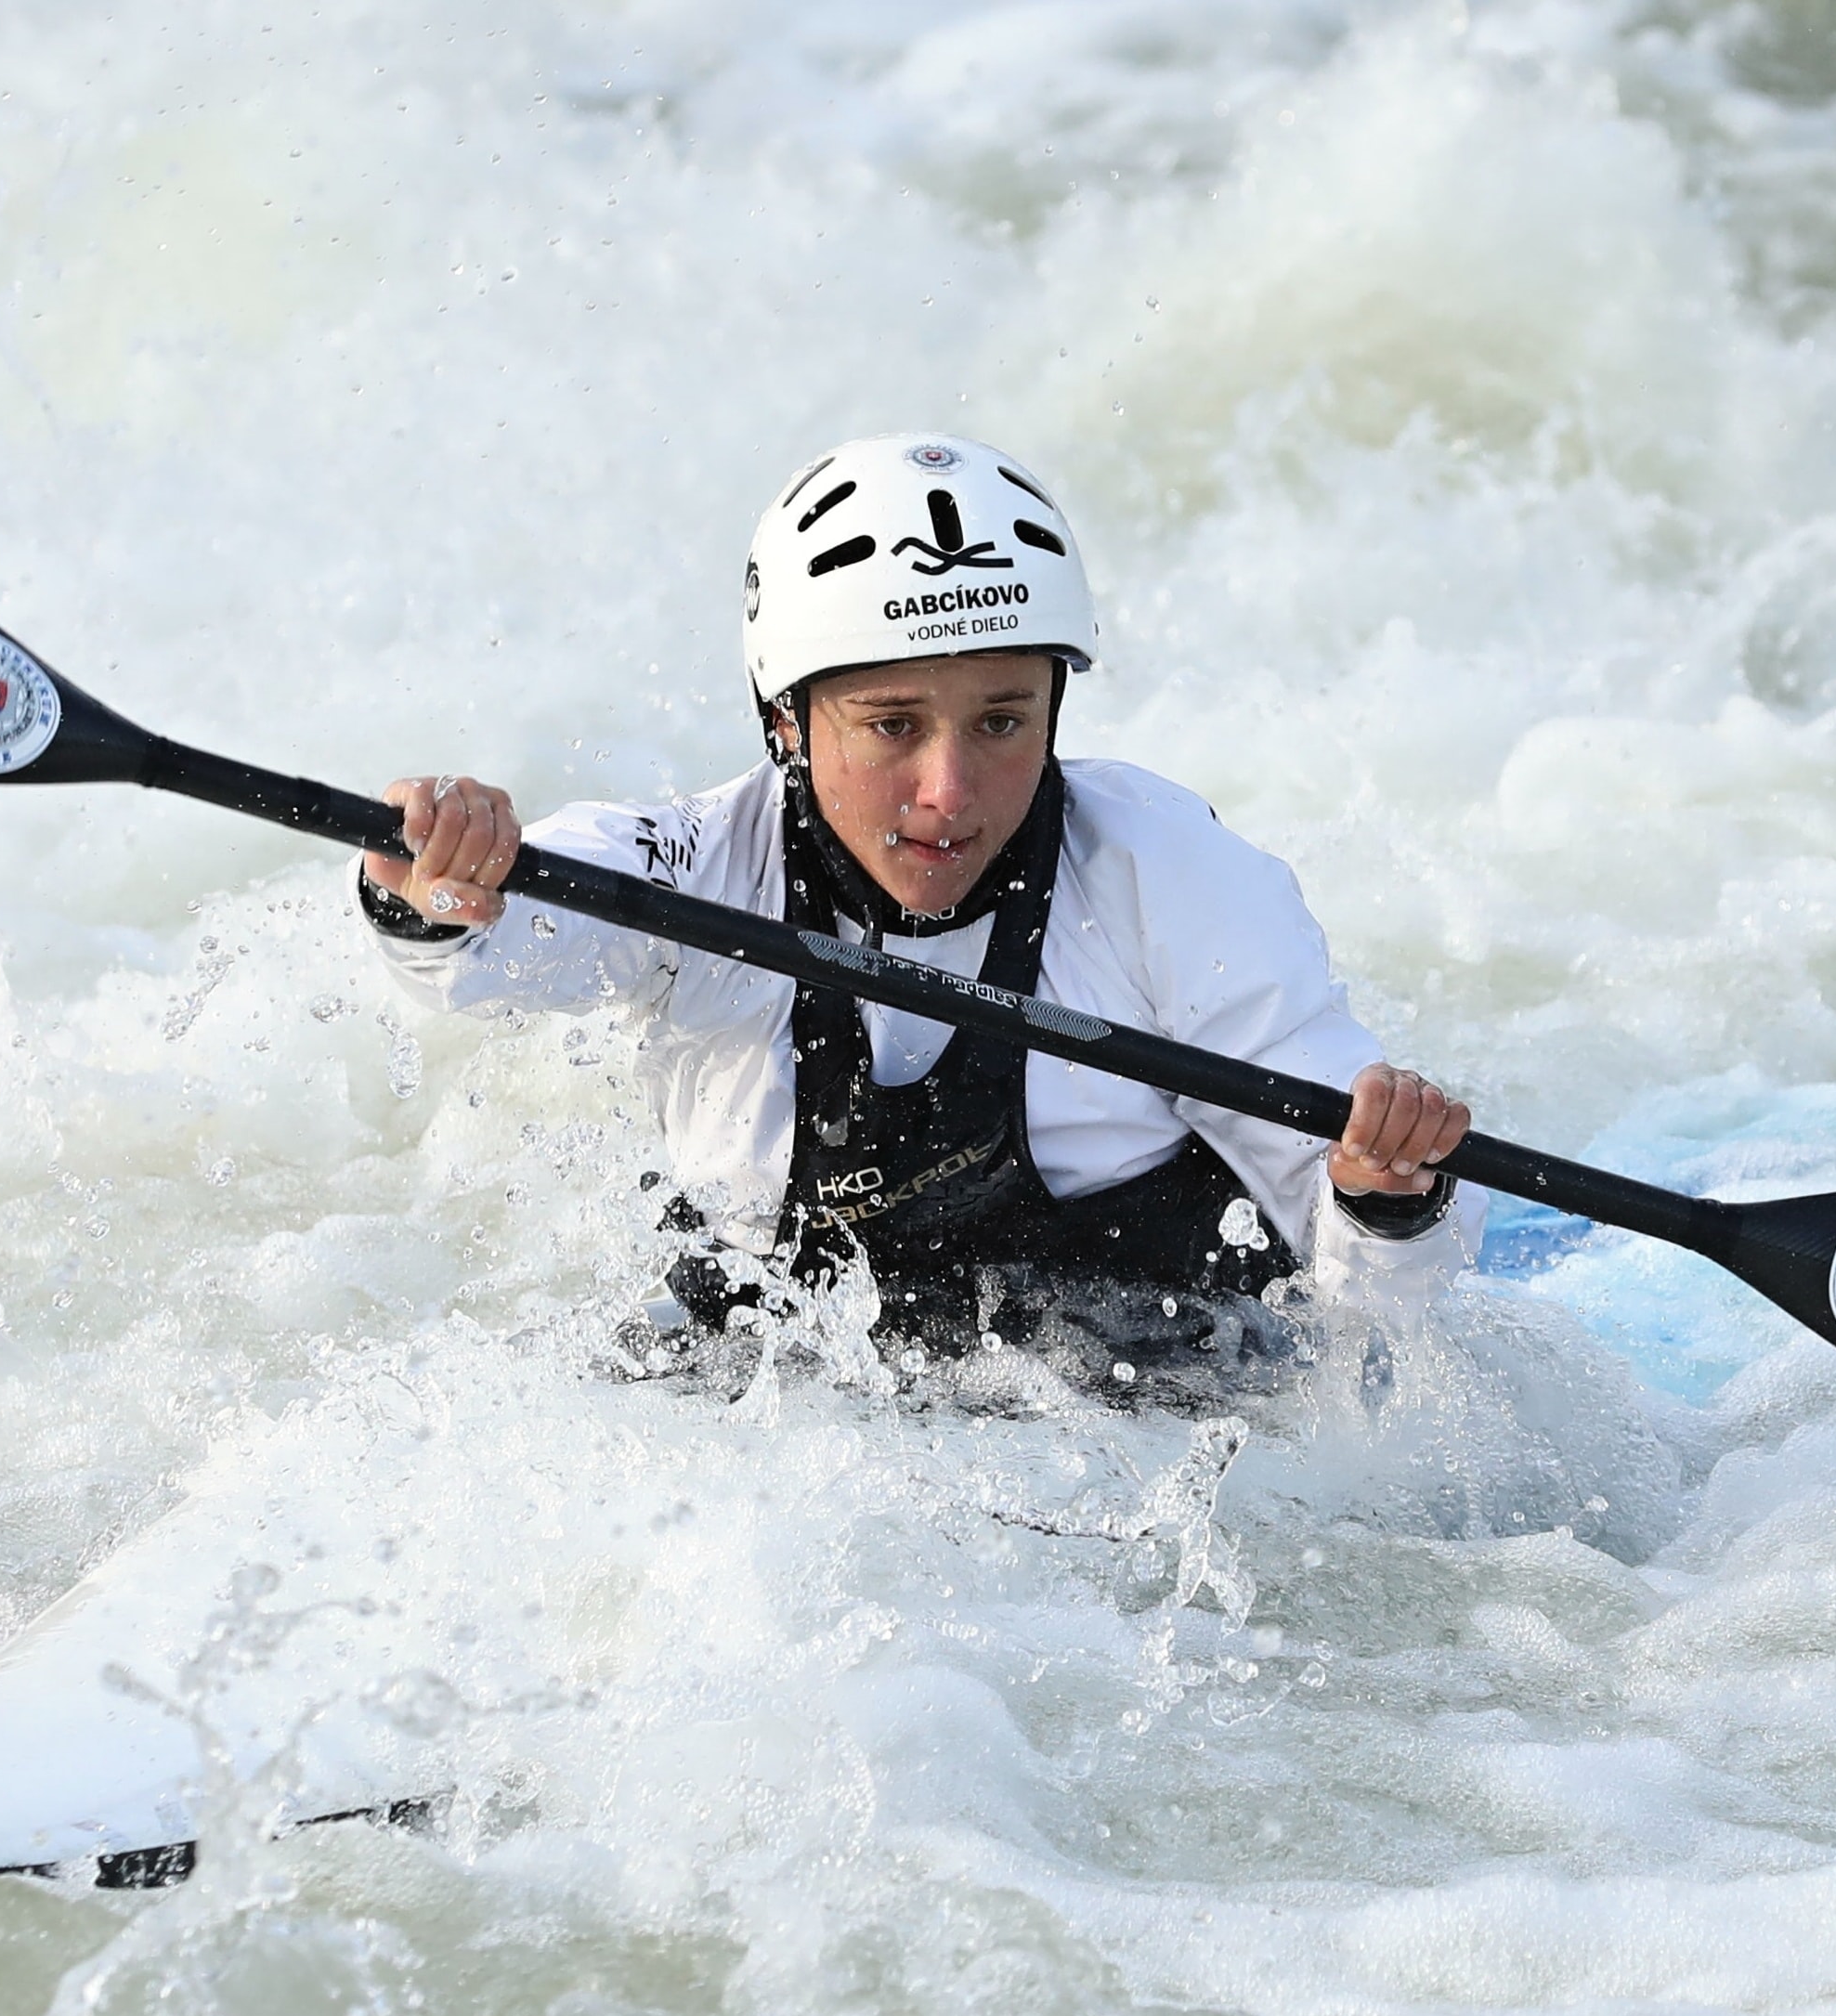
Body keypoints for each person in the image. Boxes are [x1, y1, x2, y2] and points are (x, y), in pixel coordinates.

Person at [358, 433, 1484, 1398]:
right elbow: (489, 948)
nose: (949, 791)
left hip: (1156, 1414)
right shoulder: (697, 868)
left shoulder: (1169, 874)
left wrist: (1384, 1200)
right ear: (787, 719)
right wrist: (439, 881)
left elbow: (1384, 1305)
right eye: (893, 725)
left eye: (1001, 722)